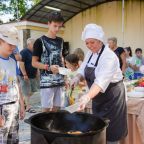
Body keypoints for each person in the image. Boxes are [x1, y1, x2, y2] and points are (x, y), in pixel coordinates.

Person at [71, 24, 127, 144]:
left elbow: (100, 82)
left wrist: (87, 96)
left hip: (112, 99)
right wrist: (76, 77)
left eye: (92, 42)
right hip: (98, 97)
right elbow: (83, 68)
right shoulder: (90, 53)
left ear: (100, 41)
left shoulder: (109, 57)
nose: (89, 46)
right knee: (99, 129)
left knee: (111, 133)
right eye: (87, 43)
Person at [32, 11, 65, 112]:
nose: (57, 29)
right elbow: (34, 63)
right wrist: (48, 67)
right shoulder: (39, 41)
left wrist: (65, 76)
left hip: (59, 80)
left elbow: (61, 58)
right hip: (46, 81)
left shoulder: (61, 41)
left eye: (59, 26)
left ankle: (53, 128)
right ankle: (44, 128)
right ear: (48, 23)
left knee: (57, 108)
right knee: (46, 110)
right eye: (55, 26)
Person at [0, 25, 25, 144]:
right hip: (1, 108)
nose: (13, 47)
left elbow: (16, 83)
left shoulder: (12, 61)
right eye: (10, 44)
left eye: (14, 44)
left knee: (13, 140)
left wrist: (21, 104)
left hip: (14, 106)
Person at [19, 38, 38, 113]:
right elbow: (21, 63)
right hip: (25, 75)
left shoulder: (34, 52)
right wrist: (24, 74)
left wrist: (37, 73)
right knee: (26, 91)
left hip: (32, 75)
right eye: (34, 44)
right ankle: (28, 107)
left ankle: (22, 102)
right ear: (29, 44)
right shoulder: (24, 52)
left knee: (33, 91)